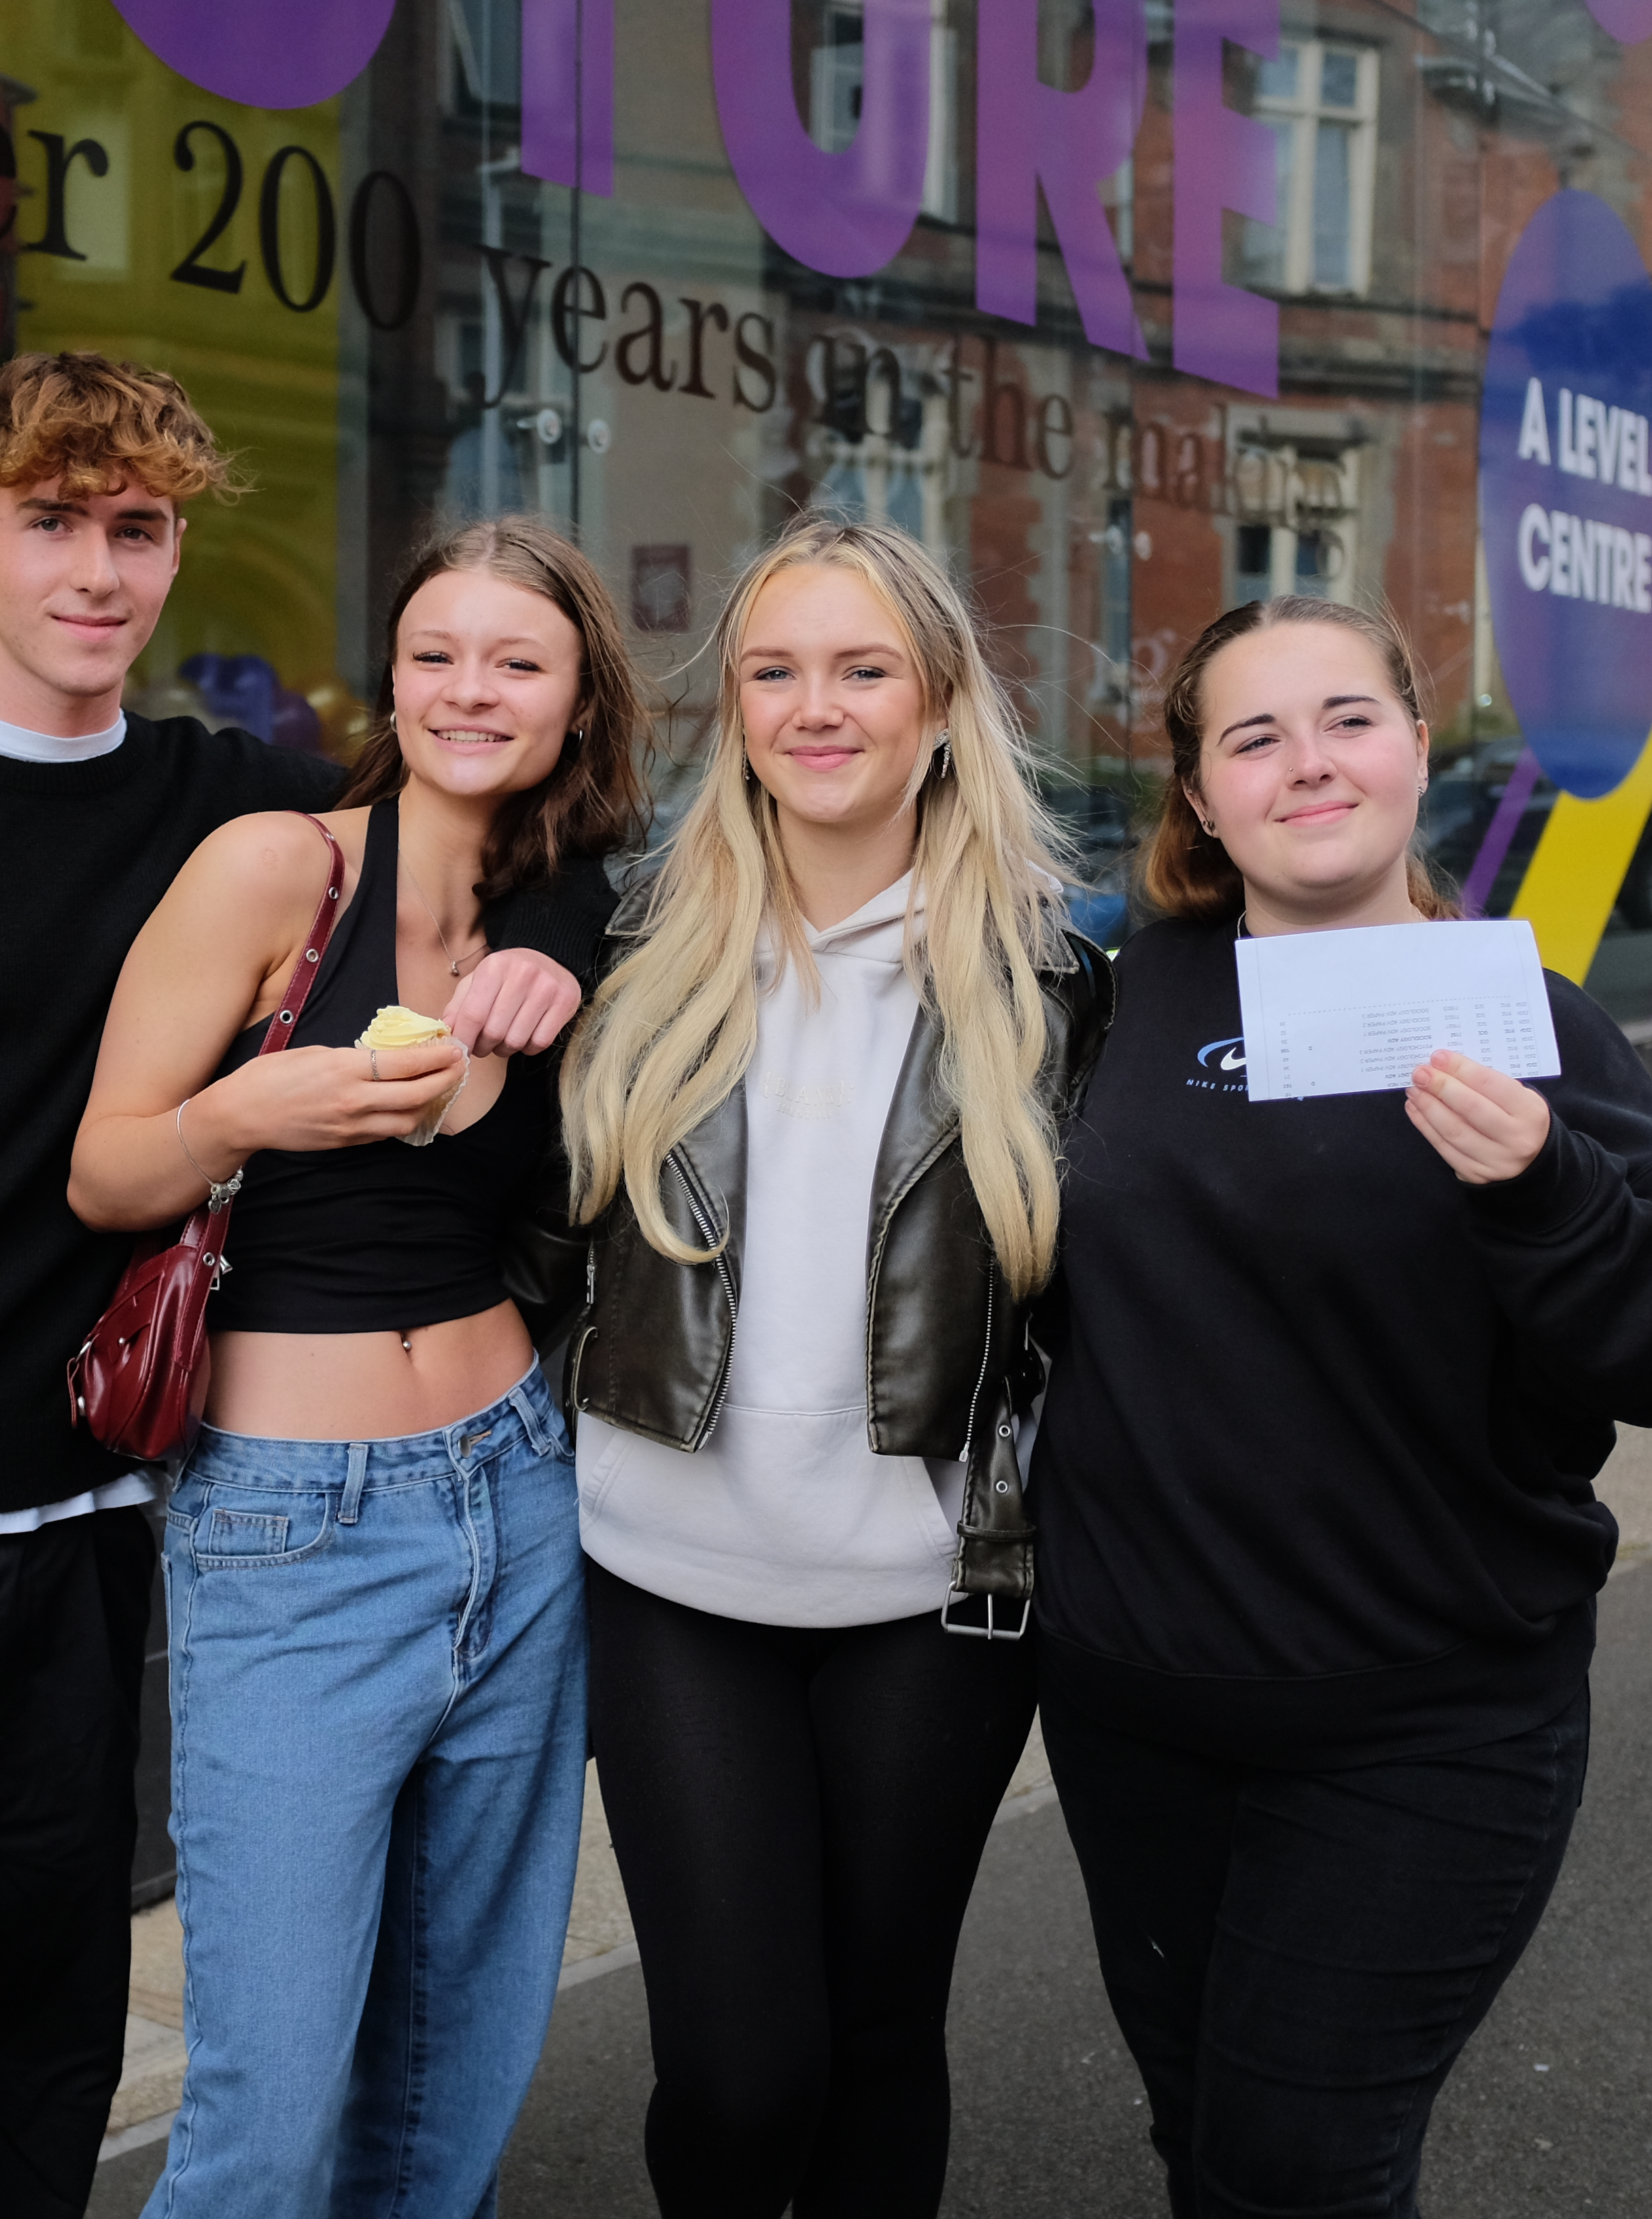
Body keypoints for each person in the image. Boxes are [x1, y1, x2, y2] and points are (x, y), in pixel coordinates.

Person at [0, 354, 574, 2217]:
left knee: (39, 2040)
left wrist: (540, 945)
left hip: (104, 1533)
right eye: (51, 521)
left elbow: (505, 822)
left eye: (134, 530)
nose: (95, 571)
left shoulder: (237, 804)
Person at [1031, 596, 1652, 2218]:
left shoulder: (1525, 1019)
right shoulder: (1116, 1005)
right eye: (1254, 736)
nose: (1309, 764)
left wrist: (1545, 1187)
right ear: (1200, 797)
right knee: (1207, 2141)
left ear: (1419, 750)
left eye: (1349, 720)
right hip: (1139, 1712)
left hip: (1426, 1722)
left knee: (1302, 2168)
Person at [69, 515, 647, 2216]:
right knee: (274, 2090)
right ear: (389, 678)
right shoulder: (277, 867)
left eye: (518, 662)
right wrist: (260, 1108)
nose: (472, 690)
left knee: (455, 2056)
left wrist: (580, 942)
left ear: (577, 700)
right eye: (437, 655)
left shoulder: (567, 905)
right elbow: (106, 1171)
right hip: (290, 1528)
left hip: (518, 1499)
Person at [550, 513, 1111, 2218]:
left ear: (940, 705)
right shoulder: (626, 954)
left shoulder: (1061, 989)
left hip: (934, 1607)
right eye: (774, 671)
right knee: (737, 2074)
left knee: (878, 2044)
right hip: (670, 1583)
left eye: (863, 669)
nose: (817, 707)